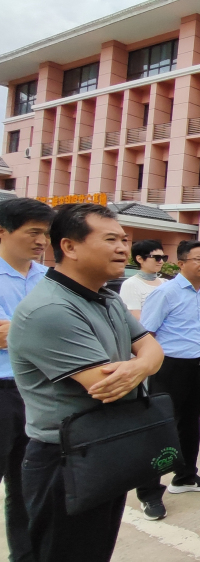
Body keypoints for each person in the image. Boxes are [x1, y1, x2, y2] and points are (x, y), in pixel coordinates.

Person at [8, 203, 164, 562]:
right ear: (70, 246)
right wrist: (143, 366)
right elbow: (108, 386)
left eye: (124, 240)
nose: (123, 248)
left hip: (104, 448)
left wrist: (139, 366)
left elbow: (154, 349)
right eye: (110, 240)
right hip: (65, 460)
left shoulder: (106, 298)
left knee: (95, 550)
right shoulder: (50, 310)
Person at [134, 240, 200, 521]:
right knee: (161, 428)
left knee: (190, 422)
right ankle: (148, 493)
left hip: (198, 366)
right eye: (198, 259)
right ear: (181, 263)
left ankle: (185, 476)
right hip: (170, 368)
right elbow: (146, 334)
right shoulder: (165, 293)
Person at [0, 198, 55, 562]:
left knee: (26, 485)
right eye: (33, 232)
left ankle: (24, 555)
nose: (41, 241)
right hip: (1, 389)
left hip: (37, 391)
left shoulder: (48, 278)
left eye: (46, 234)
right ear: (2, 232)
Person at [119, 239, 166, 319]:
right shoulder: (131, 284)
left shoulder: (166, 283)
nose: (161, 261)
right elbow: (135, 318)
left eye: (163, 257)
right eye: (157, 258)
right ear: (140, 259)